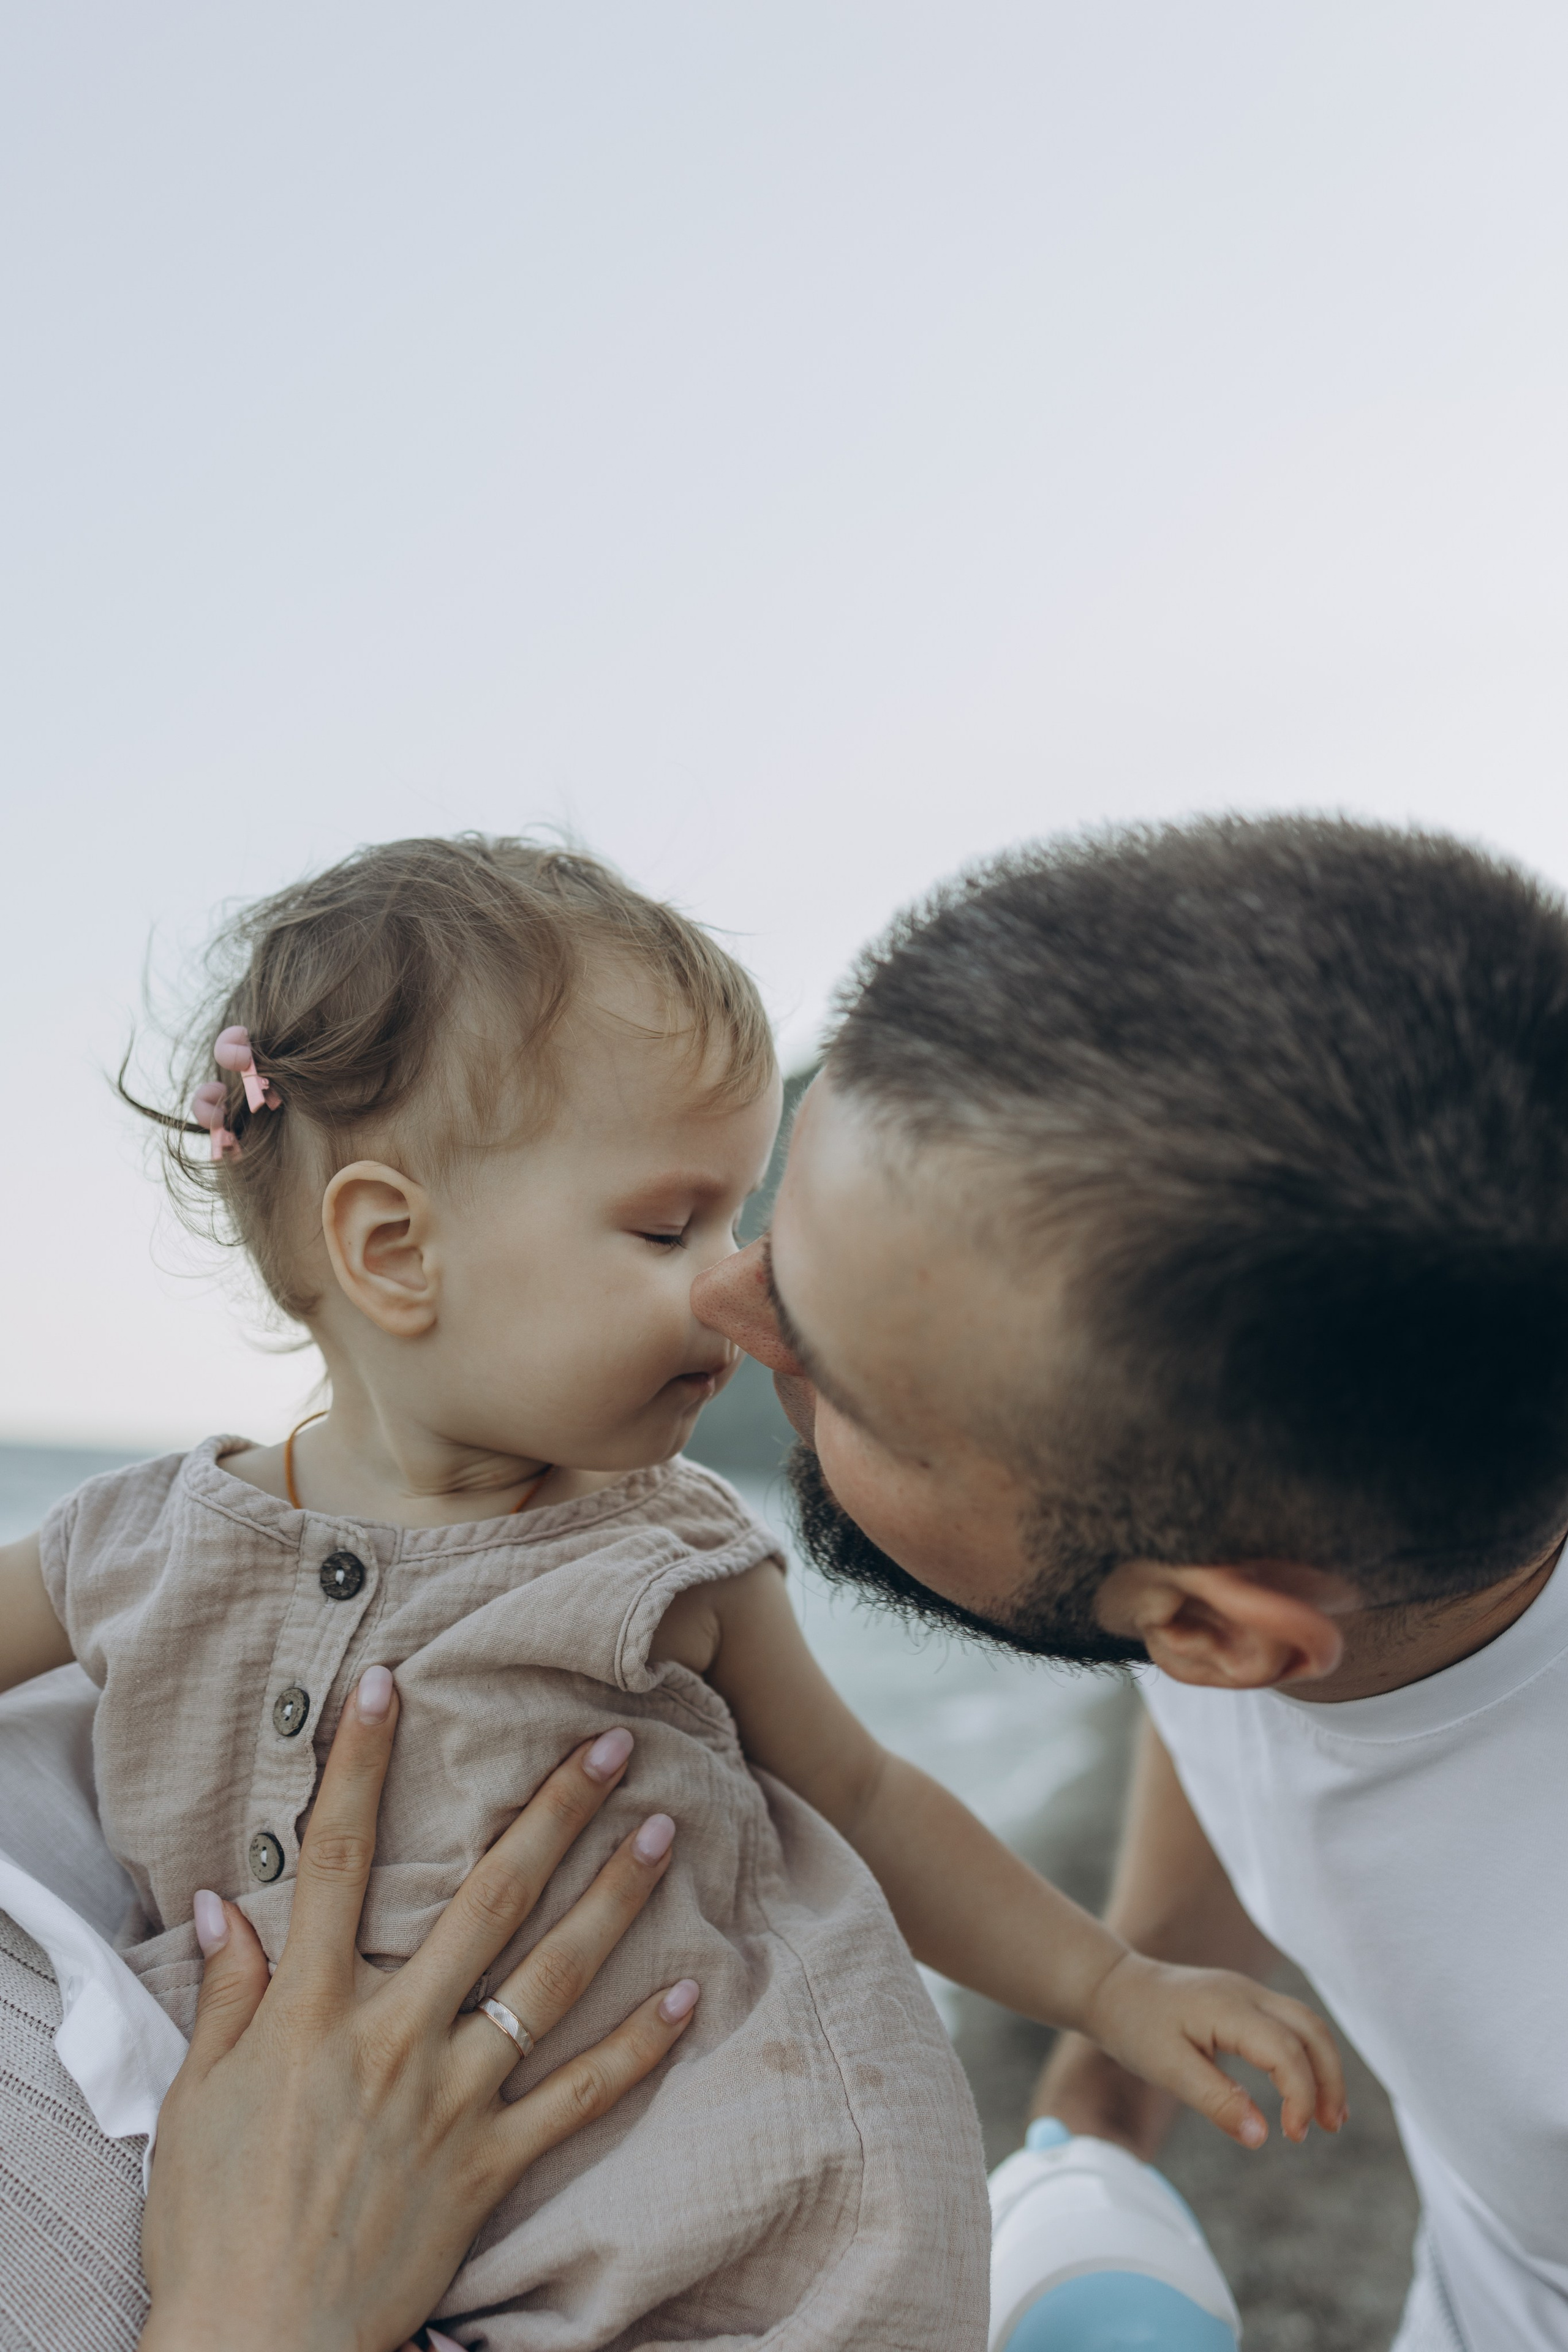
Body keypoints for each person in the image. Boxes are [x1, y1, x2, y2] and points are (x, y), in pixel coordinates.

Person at [0, 835, 1340, 2349]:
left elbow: (866, 1794)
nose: (734, 1284)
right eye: (666, 1228)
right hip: (312, 2221)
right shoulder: (140, 1543)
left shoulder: (662, 1549)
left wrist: (1107, 1985)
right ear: (393, 1249)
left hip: (725, 2218)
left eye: (737, 1219)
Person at [693, 812, 1568, 2352]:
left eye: (830, 1371)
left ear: (1214, 1628)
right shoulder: (1332, 1569)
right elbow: (1217, 1728)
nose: (719, 1301)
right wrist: (1105, 2077)